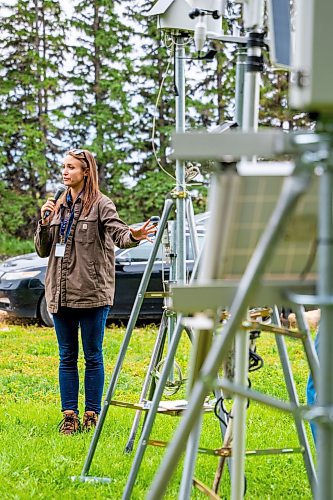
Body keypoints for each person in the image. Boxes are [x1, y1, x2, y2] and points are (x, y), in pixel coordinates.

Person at [34, 148, 157, 435]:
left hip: (91, 293)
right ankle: (69, 416)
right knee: (66, 357)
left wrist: (135, 236)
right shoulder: (58, 205)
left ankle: (91, 413)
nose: (65, 172)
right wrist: (43, 222)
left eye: (71, 167)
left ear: (86, 171)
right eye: (63, 167)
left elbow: (119, 234)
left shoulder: (101, 204)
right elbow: (43, 251)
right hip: (60, 293)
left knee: (92, 356)